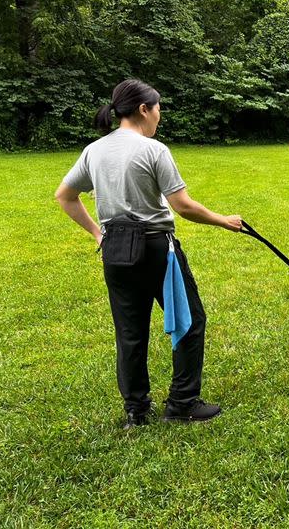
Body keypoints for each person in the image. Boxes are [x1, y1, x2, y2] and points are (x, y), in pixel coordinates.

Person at [55, 79, 242, 428]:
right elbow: (183, 207)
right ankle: (183, 402)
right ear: (144, 109)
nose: (159, 117)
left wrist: (98, 233)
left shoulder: (94, 150)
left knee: (129, 332)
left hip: (115, 251)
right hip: (157, 249)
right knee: (189, 320)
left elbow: (64, 195)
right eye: (158, 109)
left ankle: (136, 412)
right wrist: (224, 220)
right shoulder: (154, 150)